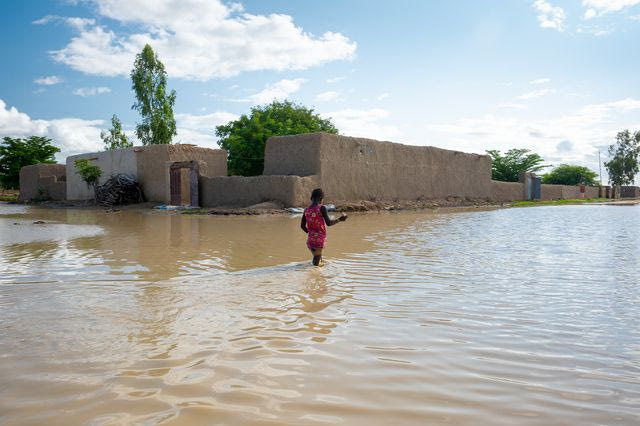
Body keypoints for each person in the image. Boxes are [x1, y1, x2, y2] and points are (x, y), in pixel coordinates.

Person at [300, 188, 347, 266]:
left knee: (318, 259)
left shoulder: (306, 210)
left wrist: (311, 233)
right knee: (316, 263)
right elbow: (328, 223)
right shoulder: (322, 208)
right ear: (321, 199)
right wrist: (340, 219)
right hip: (320, 239)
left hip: (310, 239)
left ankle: (318, 277)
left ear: (311, 198)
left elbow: (302, 226)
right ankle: (314, 276)